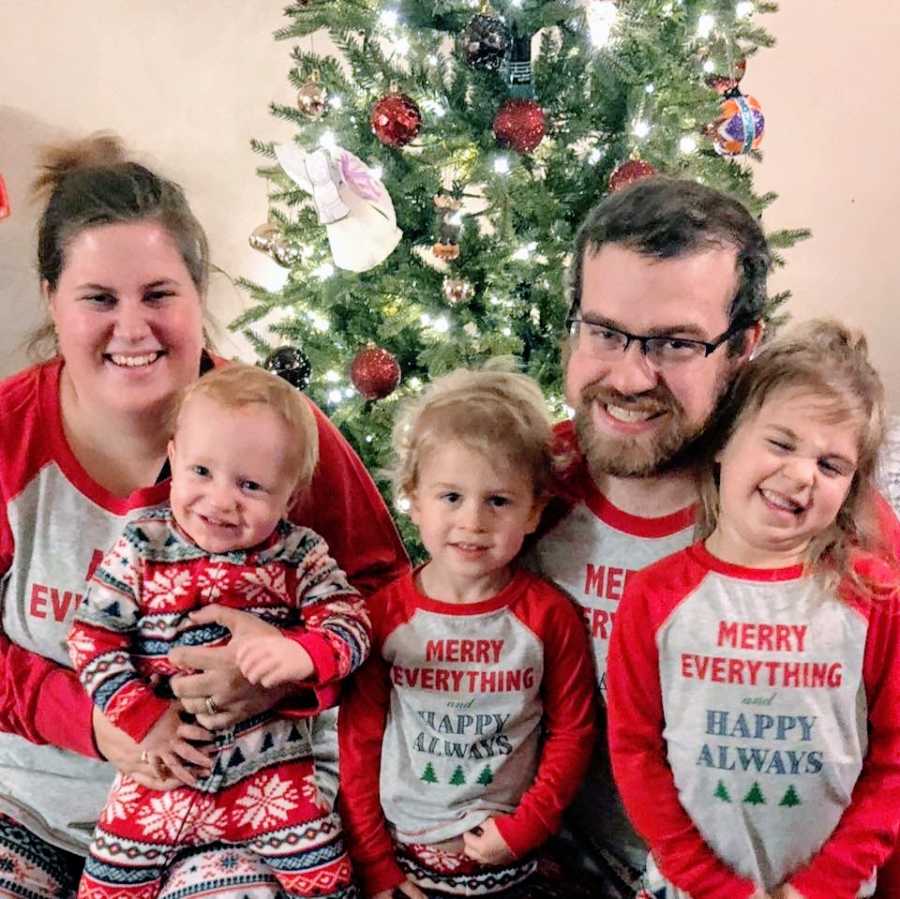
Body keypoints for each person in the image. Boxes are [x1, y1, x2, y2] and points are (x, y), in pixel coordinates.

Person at [0, 134, 407, 899]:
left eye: (159, 294)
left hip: (240, 805)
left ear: (199, 294)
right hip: (32, 801)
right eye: (98, 298)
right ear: (52, 298)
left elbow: (387, 597)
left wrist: (288, 671)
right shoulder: (9, 436)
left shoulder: (277, 432)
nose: (132, 328)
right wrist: (90, 720)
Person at [527, 177, 900, 897]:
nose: (631, 375)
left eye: (675, 343)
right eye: (603, 331)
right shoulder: (526, 487)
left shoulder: (836, 526)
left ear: (743, 347)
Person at [607, 319, 900, 899]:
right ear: (724, 442)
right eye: (782, 443)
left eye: (831, 465)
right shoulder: (653, 597)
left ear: (852, 488)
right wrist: (714, 887)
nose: (799, 475)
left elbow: (894, 758)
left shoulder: (874, 597)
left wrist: (821, 885)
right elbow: (635, 754)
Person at [68, 364, 370, 897]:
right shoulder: (143, 545)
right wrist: (143, 718)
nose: (221, 500)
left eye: (251, 485)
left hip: (271, 778)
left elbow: (351, 622)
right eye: (202, 472)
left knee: (327, 880)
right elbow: (92, 639)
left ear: (290, 496)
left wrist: (301, 654)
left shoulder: (299, 554)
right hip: (161, 772)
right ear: (173, 458)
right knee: (106, 886)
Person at [338, 368, 597, 898]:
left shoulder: (548, 617)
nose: (473, 521)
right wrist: (375, 862)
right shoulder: (384, 615)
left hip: (514, 864)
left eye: (498, 501)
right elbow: (359, 742)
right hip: (407, 865)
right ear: (412, 498)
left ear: (534, 511)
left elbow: (572, 732)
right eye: (451, 496)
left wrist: (526, 828)